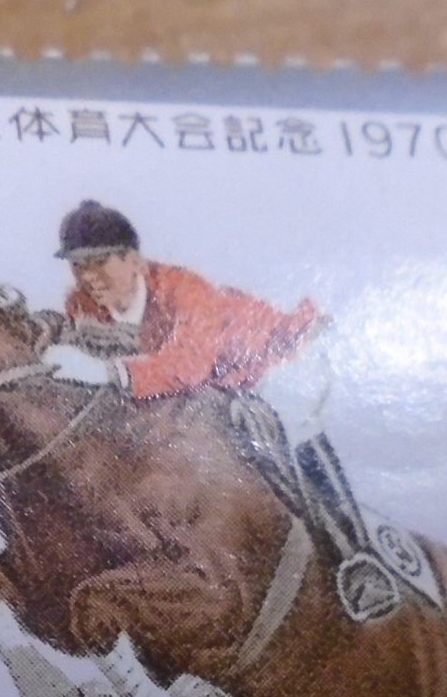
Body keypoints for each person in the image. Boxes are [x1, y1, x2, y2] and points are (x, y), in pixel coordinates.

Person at [41, 199, 406, 623]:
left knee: (291, 416)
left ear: (134, 260)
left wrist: (108, 371)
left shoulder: (185, 288)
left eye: (99, 262)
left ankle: (359, 559)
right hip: (213, 390)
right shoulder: (81, 303)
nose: (88, 276)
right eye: (78, 265)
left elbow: (189, 365)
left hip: (276, 360)